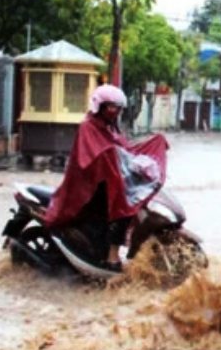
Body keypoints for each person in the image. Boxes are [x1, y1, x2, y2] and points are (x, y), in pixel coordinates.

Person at [44, 85, 167, 272]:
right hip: (90, 186)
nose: (115, 111)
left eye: (118, 108)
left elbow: (124, 149)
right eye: (111, 107)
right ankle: (112, 257)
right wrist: (113, 156)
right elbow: (93, 156)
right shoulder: (88, 127)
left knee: (128, 202)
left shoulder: (110, 127)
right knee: (123, 209)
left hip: (110, 181)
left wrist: (147, 151)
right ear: (99, 106)